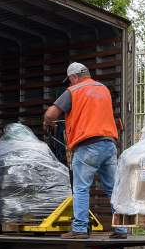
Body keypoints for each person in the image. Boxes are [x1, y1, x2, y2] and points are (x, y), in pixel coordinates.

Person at [43, 62, 127, 239]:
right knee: (114, 189)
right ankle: (121, 229)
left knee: (81, 188)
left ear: (74, 77)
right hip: (109, 144)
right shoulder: (103, 89)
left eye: (70, 80)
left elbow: (51, 114)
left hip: (87, 145)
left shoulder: (73, 91)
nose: (70, 83)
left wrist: (48, 123)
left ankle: (80, 229)